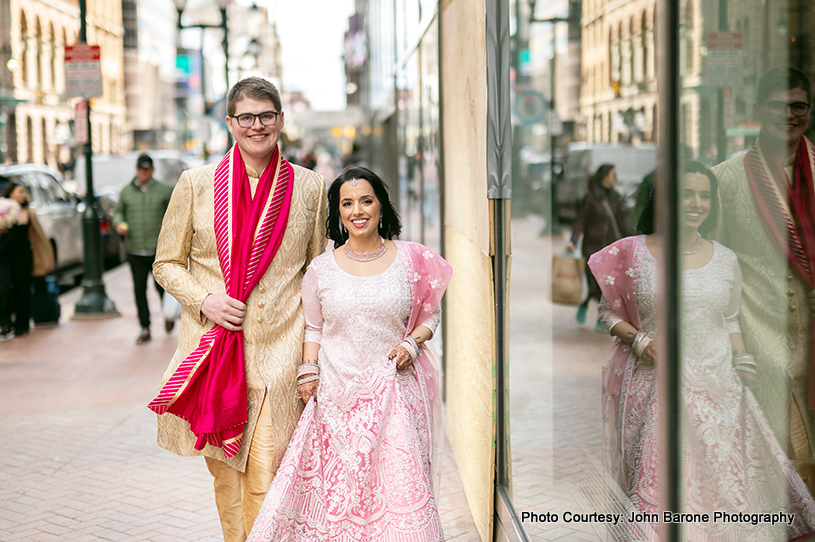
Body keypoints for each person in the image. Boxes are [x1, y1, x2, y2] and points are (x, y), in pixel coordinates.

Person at [589, 162, 815, 540]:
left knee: (722, 482)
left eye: (704, 195)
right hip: (654, 385)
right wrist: (640, 342)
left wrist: (743, 360)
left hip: (718, 387)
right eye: (686, 194)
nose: (696, 203)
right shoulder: (631, 251)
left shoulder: (725, 258)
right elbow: (606, 312)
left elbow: (729, 319)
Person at [147, 76, 327, 542]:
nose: (257, 125)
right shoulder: (196, 184)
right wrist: (203, 299)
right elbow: (165, 263)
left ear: (281, 120)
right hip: (215, 353)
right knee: (227, 481)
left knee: (267, 473)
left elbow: (317, 271)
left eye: (266, 115)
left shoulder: (309, 187)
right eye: (246, 116)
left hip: (280, 356)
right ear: (230, 123)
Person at [247, 167, 451, 542]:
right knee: (339, 498)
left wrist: (412, 342)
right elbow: (314, 328)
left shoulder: (411, 259)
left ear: (381, 206)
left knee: (398, 491)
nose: (358, 210)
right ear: (338, 213)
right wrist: (307, 370)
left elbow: (430, 314)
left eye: (366, 200)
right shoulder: (320, 270)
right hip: (336, 399)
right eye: (347, 203)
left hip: (395, 396)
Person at [712, 67, 815, 492]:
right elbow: (710, 267)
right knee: (783, 458)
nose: (789, 114)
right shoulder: (726, 179)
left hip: (811, 340)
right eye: (779, 105)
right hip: (757, 339)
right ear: (758, 110)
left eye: (799, 106)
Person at [113, 154, 175, 344]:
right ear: (136, 170)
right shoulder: (126, 192)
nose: (143, 173)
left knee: (162, 288)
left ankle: (168, 315)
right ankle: (145, 327)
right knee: (139, 290)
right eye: (140, 169)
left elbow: (175, 215)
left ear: (152, 171)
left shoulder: (164, 191)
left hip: (159, 252)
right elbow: (118, 212)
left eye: (146, 170)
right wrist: (119, 222)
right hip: (135, 250)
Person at [568, 164, 633, 331]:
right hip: (591, 248)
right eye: (613, 175)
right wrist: (574, 239)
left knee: (606, 284)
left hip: (610, 249)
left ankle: (599, 318)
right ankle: (584, 303)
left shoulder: (615, 198)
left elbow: (622, 222)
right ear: (604, 177)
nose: (616, 178)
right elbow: (580, 220)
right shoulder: (590, 198)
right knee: (593, 282)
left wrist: (635, 239)